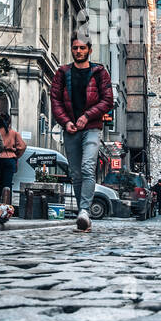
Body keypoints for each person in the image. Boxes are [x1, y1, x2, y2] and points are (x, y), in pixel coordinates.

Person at [49, 35, 114, 232]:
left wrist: (87, 116)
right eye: (75, 48)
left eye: (82, 48)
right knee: (76, 174)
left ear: (89, 51)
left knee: (87, 168)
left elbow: (107, 100)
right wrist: (65, 121)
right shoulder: (62, 72)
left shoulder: (99, 72)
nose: (78, 51)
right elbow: (55, 100)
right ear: (72, 50)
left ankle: (84, 211)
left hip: (92, 128)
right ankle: (82, 212)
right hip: (71, 130)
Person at [0, 113, 27, 201]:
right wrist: (16, 155)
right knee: (7, 184)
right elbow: (23, 146)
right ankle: (7, 206)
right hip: (10, 160)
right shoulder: (14, 133)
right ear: (9, 121)